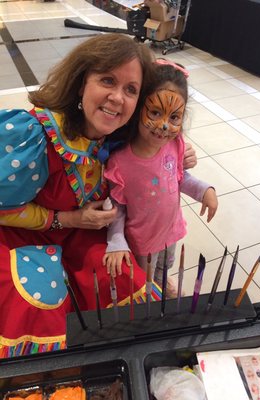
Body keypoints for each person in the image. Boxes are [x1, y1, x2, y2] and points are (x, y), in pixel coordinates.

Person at [0, 34, 197, 357]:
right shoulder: (36, 135)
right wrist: (65, 218)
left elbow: (162, 136)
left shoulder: (119, 140)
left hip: (80, 234)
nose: (118, 98)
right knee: (37, 298)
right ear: (81, 84)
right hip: (20, 236)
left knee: (122, 279)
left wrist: (181, 152)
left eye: (131, 90)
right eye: (107, 80)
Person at [103, 59, 218, 298]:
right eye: (155, 112)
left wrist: (204, 190)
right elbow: (117, 208)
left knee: (165, 267)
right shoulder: (120, 162)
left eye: (174, 117)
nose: (164, 125)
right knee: (144, 284)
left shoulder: (174, 146)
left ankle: (162, 282)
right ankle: (151, 295)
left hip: (170, 230)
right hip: (142, 242)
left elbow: (180, 178)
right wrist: (116, 241)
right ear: (137, 110)